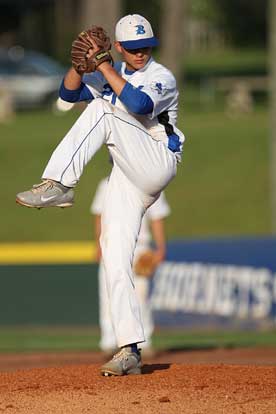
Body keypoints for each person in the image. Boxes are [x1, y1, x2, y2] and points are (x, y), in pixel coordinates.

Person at [16, 14, 185, 376]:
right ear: (120, 47)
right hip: (124, 175)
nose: (141, 53)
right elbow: (66, 94)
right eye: (134, 48)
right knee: (113, 252)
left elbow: (139, 106)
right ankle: (129, 350)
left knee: (103, 110)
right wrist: (79, 66)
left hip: (157, 159)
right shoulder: (109, 72)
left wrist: (106, 66)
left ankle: (59, 184)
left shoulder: (161, 76)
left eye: (146, 47)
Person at [91, 175, 170, 358]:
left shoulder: (151, 180)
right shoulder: (106, 184)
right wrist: (98, 244)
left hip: (140, 246)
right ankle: (109, 342)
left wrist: (160, 247)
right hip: (111, 244)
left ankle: (144, 342)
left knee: (140, 297)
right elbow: (99, 215)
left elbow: (157, 217)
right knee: (109, 295)